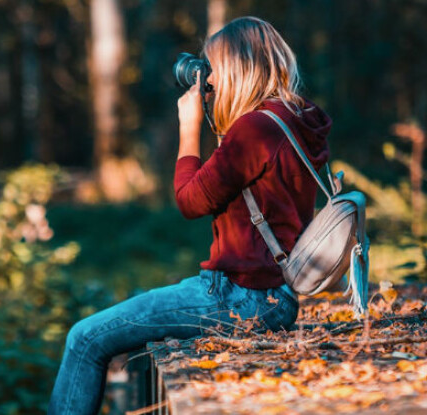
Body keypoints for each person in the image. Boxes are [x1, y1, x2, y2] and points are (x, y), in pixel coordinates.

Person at [48, 16, 332, 415]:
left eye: (214, 68)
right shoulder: (295, 118)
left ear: (238, 67)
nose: (210, 80)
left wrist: (189, 127)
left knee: (85, 338)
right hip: (276, 295)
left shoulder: (254, 130)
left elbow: (190, 201)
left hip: (240, 297)